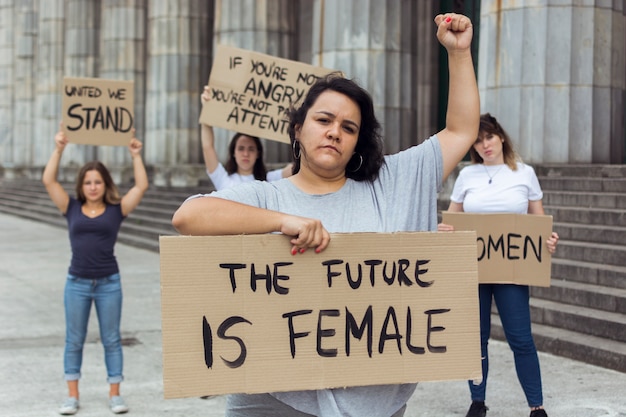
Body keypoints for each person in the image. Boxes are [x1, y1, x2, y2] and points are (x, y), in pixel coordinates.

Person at [172, 12, 478, 417]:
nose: (335, 131)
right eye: (323, 120)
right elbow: (188, 216)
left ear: (356, 144)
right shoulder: (266, 196)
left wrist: (458, 53)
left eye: (349, 128)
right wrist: (282, 222)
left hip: (375, 402)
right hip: (274, 402)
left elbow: (460, 131)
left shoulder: (391, 182)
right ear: (297, 130)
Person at [437, 113, 560, 417]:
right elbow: (452, 219)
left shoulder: (525, 173)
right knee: (475, 339)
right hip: (474, 269)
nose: (484, 145)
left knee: (521, 338)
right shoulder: (467, 176)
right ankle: (477, 401)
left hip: (513, 270)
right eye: (477, 141)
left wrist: (548, 241)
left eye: (488, 137)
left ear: (501, 137)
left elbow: (538, 222)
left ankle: (537, 406)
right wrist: (445, 228)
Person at [42, 125, 149, 415]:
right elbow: (48, 180)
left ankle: (115, 394)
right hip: (76, 282)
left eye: (98, 182)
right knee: (73, 340)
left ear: (105, 184)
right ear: (82, 185)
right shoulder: (71, 207)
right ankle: (72, 396)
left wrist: (135, 156)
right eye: (88, 182)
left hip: (108, 283)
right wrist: (59, 148)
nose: (92, 187)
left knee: (111, 339)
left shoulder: (117, 209)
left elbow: (140, 187)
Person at [200, 85, 293, 190]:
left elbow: (295, 169)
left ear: (258, 153)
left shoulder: (269, 179)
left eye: (251, 149)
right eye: (241, 148)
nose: (245, 154)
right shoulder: (222, 178)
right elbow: (207, 147)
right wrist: (206, 110)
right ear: (233, 152)